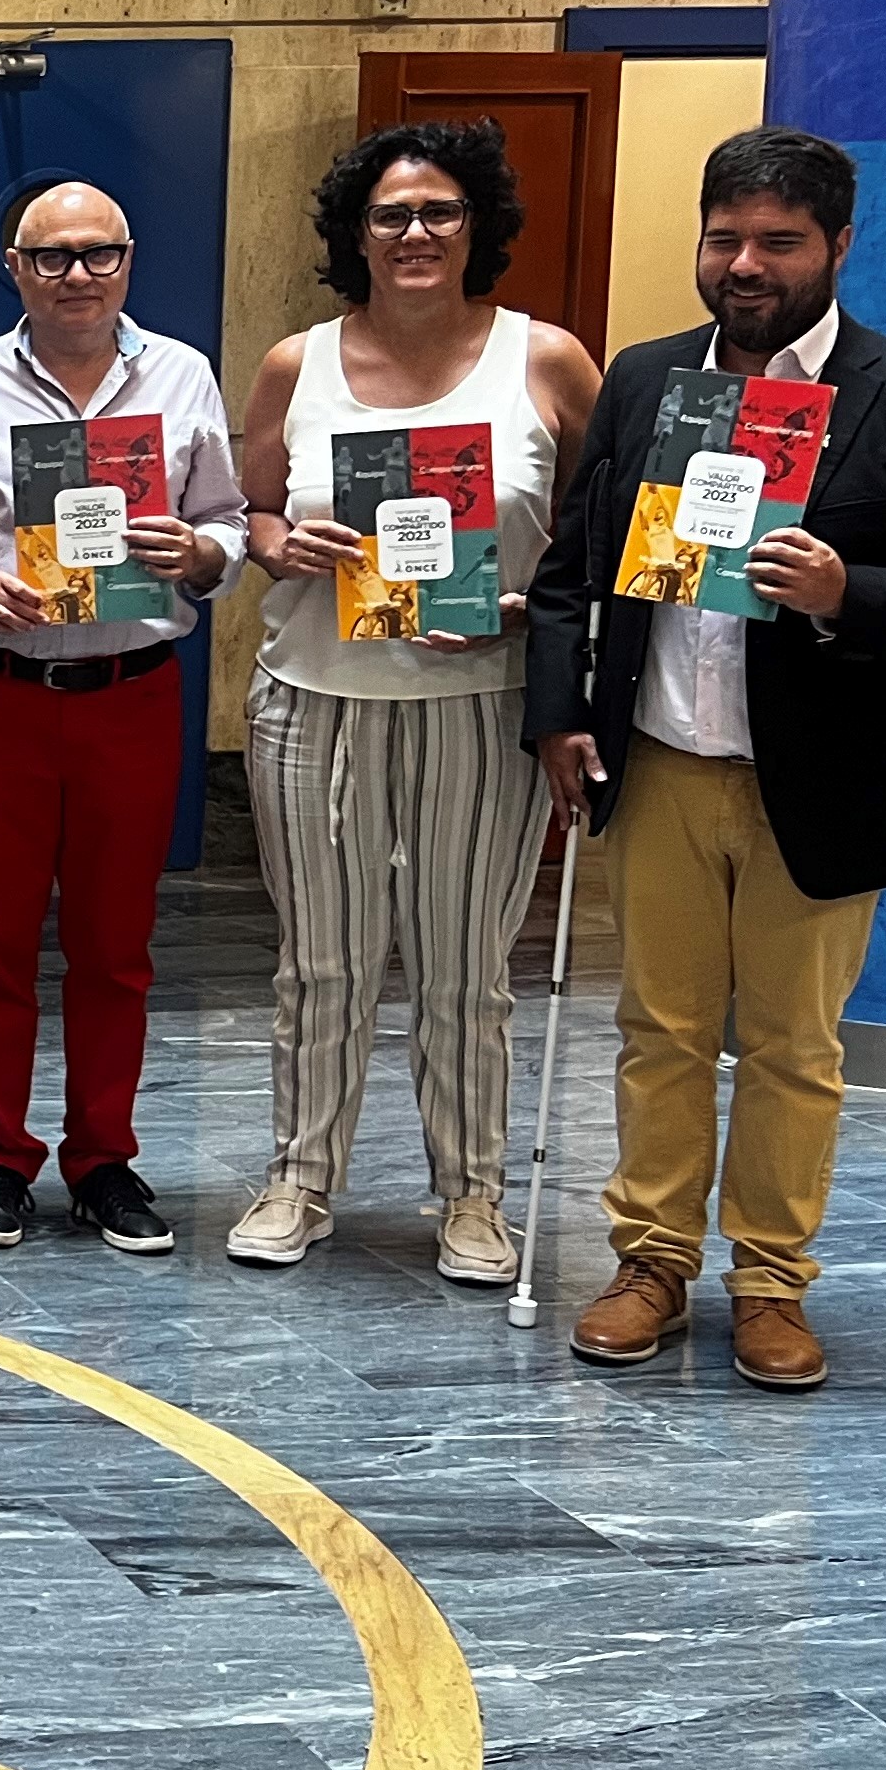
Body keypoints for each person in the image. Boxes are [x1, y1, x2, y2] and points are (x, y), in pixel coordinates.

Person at [527, 125, 886, 1390]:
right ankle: (649, 1260)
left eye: (777, 242)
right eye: (725, 238)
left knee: (796, 1047)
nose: (745, 264)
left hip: (825, 777)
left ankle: (769, 1282)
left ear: (839, 246)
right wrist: (559, 713)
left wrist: (851, 592)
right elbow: (569, 573)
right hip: (661, 761)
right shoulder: (642, 383)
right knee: (659, 1029)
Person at [231, 123, 598, 1283]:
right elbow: (248, 515)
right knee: (321, 962)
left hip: (481, 704)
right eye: (390, 216)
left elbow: (600, 543)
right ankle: (301, 1177)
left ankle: (473, 1194)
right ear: (356, 235)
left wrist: (523, 609)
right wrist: (286, 543)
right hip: (313, 699)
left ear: (477, 225)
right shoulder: (299, 364)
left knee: (462, 968)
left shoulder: (546, 362)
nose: (415, 233)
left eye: (439, 211)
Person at [0, 172, 247, 1256]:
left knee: (115, 949)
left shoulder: (180, 376)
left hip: (131, 699)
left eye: (99, 253)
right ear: (16, 270)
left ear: (128, 261)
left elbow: (227, 524)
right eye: (52, 257)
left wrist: (202, 552)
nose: (77, 275)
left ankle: (104, 1160)